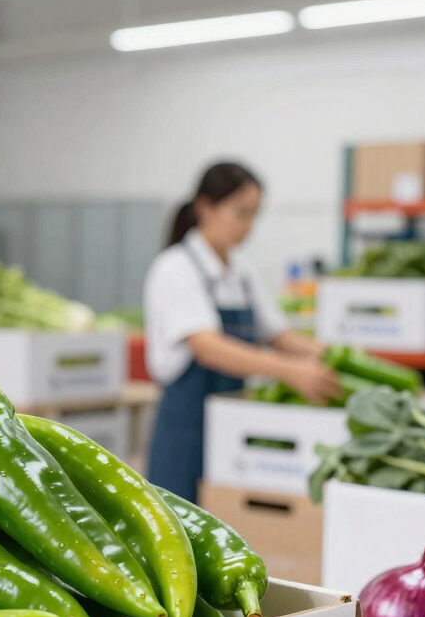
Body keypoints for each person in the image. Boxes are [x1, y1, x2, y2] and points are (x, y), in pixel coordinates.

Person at [144, 161, 341, 501]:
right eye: (241, 213)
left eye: (254, 214)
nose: (248, 226)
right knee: (178, 528)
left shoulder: (242, 272)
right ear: (205, 207)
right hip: (185, 431)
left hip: (233, 430)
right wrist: (290, 371)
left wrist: (336, 356)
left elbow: (278, 335)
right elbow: (208, 348)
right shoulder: (175, 268)